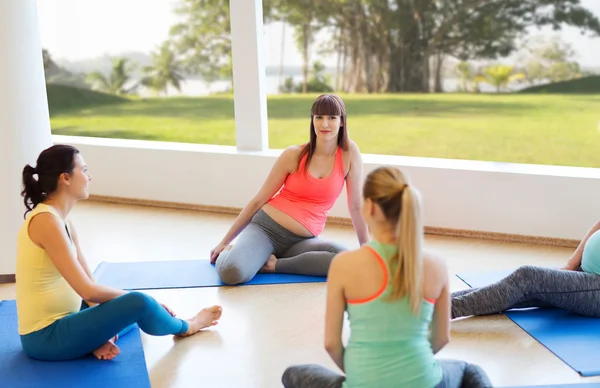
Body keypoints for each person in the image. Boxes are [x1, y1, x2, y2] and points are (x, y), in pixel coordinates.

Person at [281, 166, 492, 388]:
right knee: (470, 371)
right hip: (424, 381)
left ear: (370, 207)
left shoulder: (344, 265)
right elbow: (441, 338)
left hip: (362, 383)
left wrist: (364, 375)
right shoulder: (436, 265)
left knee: (293, 374)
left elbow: (332, 344)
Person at [16, 144, 223, 362]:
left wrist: (121, 310)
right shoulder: (46, 222)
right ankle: (188, 326)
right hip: (46, 337)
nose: (90, 177)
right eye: (84, 170)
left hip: (72, 318)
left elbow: (90, 282)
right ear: (65, 178)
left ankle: (99, 339)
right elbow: (88, 291)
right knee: (139, 302)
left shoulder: (63, 221)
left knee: (129, 303)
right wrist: (146, 302)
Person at [210, 94, 369, 285]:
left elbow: (356, 206)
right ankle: (234, 253)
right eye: (319, 117)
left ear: (342, 121)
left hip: (302, 241)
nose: (324, 124)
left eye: (332, 118)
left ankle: (274, 265)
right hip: (266, 229)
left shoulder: (349, 154)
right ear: (312, 120)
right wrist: (224, 242)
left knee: (345, 259)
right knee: (232, 273)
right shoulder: (293, 155)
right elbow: (258, 200)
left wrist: (368, 250)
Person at [452, 220, 600, 319]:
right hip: (585, 272)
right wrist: (571, 265)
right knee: (513, 289)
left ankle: (441, 310)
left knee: (528, 277)